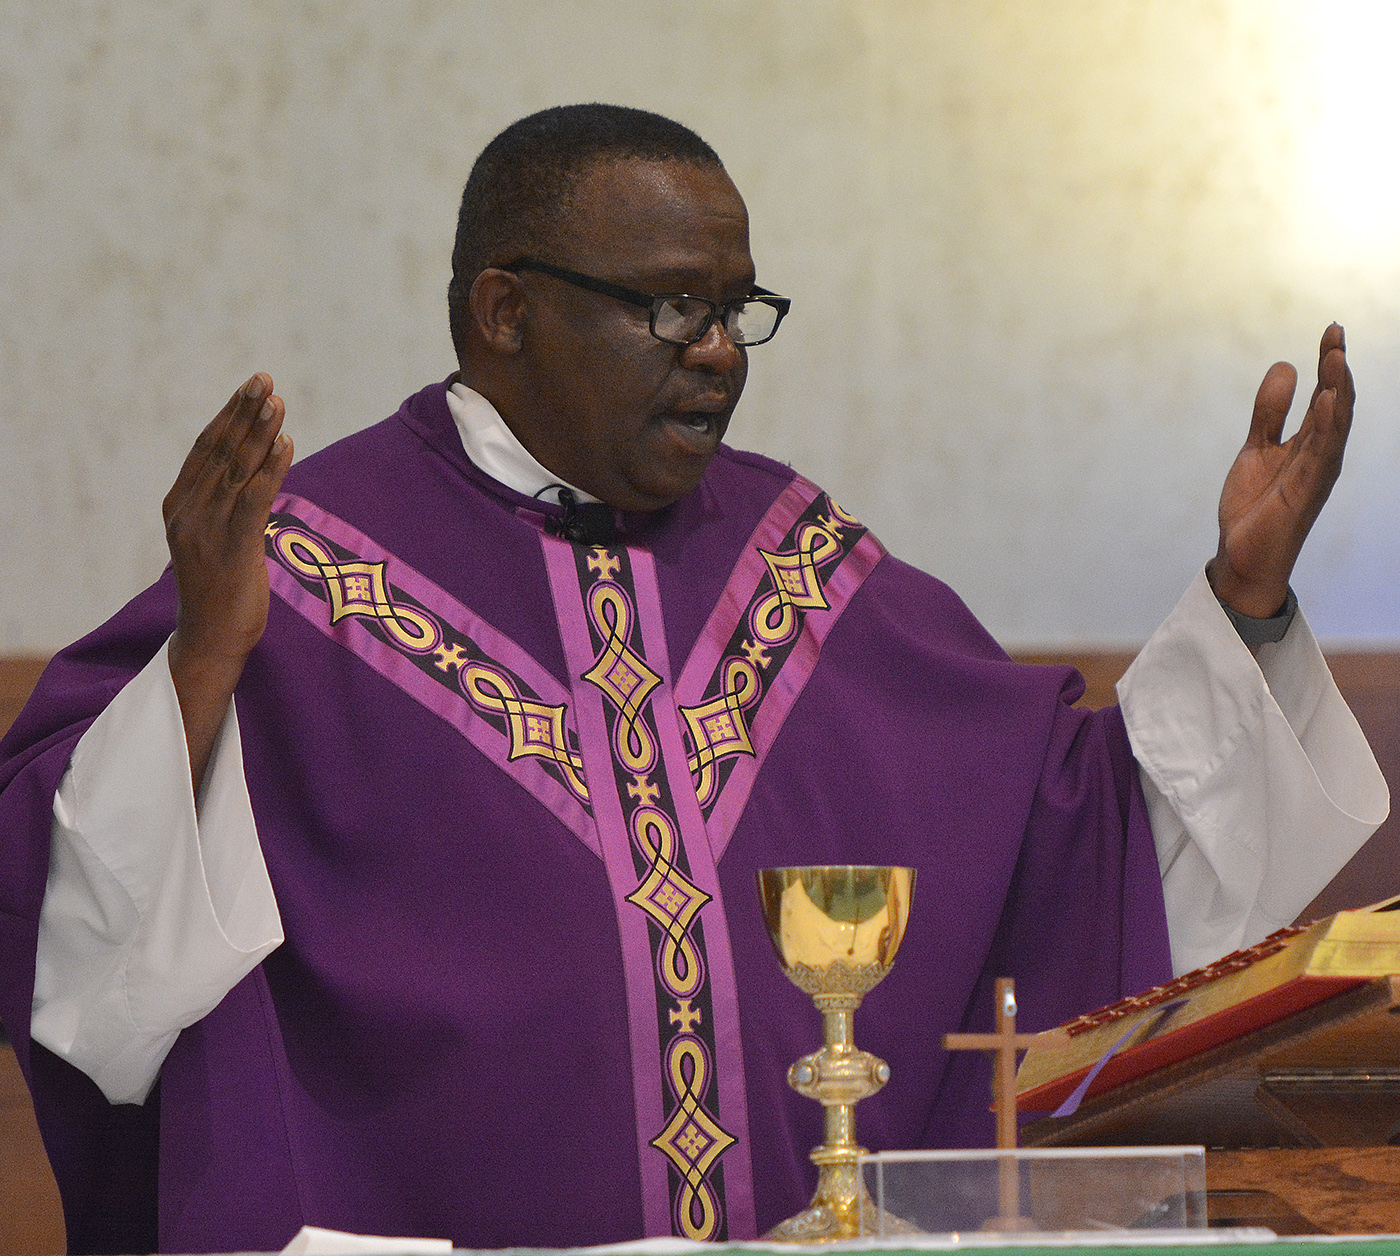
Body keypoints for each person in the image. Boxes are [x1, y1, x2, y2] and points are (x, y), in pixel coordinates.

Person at [0, 104, 1385, 1255]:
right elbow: (67, 912)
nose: (720, 351)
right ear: (504, 312)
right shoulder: (302, 570)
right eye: (672, 306)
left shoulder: (801, 568)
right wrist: (204, 656)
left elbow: (1083, 839)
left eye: (737, 309)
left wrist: (1241, 604)